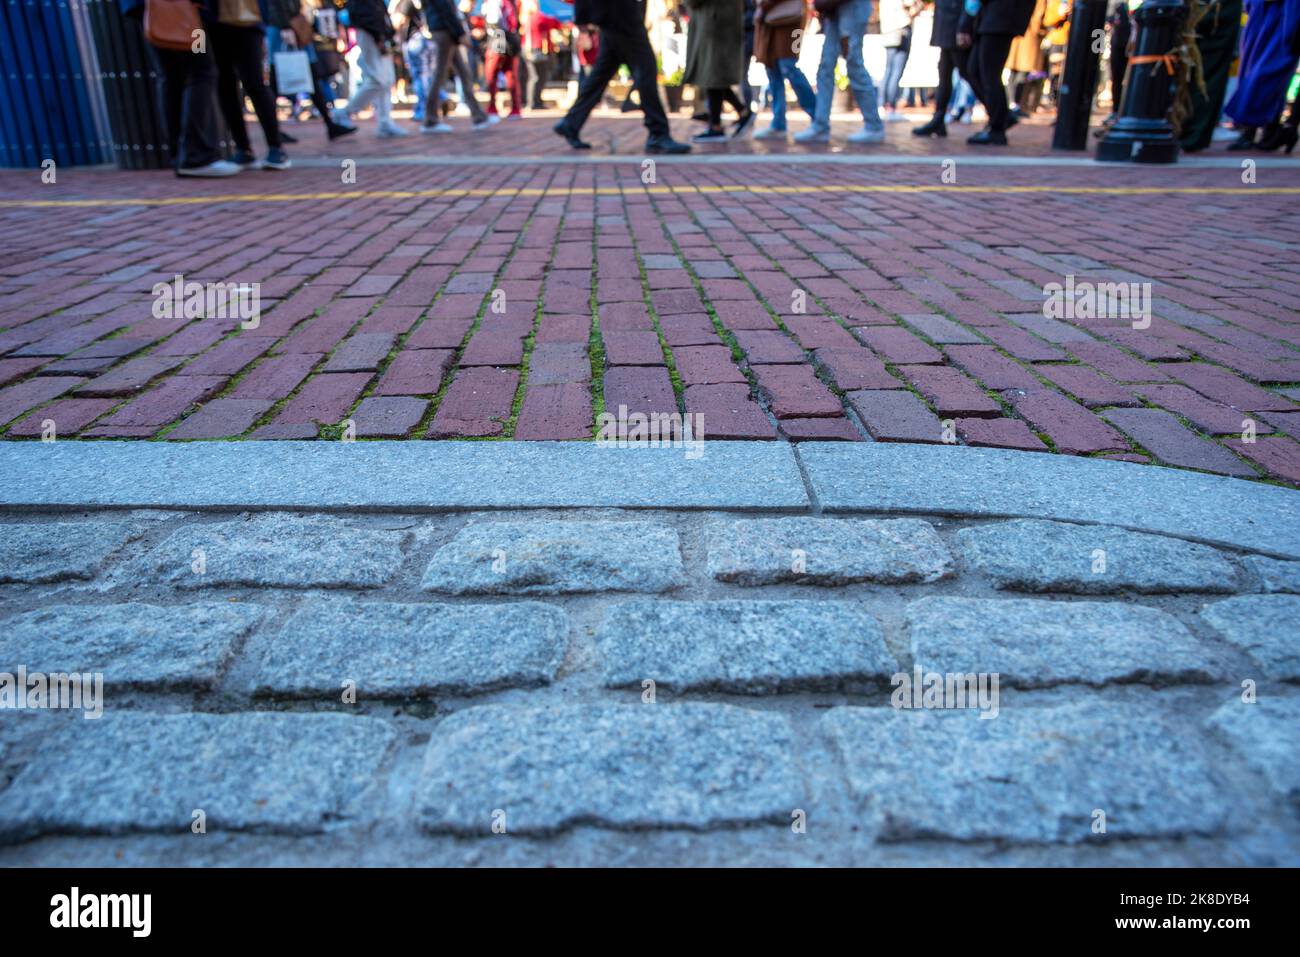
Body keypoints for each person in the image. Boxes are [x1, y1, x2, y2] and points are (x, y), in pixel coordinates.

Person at [553, 0, 691, 153]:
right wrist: (582, 18)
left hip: (612, 16)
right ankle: (658, 133)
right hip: (621, 16)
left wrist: (582, 17)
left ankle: (571, 123)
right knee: (646, 70)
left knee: (600, 75)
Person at [120, 0, 239, 176]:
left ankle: (180, 155)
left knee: (170, 76)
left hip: (150, 12)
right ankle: (197, 156)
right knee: (202, 71)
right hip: (187, 13)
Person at [795, 0, 885, 143]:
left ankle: (873, 125)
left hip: (851, 7)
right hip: (835, 9)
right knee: (826, 66)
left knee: (853, 63)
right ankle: (820, 125)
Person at [956, 0, 1036, 145]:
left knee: (988, 74)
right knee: (974, 71)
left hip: (1001, 17)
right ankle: (1001, 117)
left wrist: (966, 22)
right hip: (991, 17)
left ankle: (997, 128)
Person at [1224, 0, 1300, 150]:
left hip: (1285, 15)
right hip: (1261, 14)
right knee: (1252, 72)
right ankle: (1264, 129)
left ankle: (1262, 128)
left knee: (1267, 74)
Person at [422, 0, 498, 130]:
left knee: (464, 73)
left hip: (447, 31)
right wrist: (460, 33)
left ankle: (479, 116)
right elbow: (445, 10)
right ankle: (430, 120)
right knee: (440, 75)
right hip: (445, 31)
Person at [685, 0, 754, 141]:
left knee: (712, 74)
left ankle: (716, 126)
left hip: (715, 22)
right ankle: (741, 112)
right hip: (719, 21)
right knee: (714, 75)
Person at [1179, 0, 1242, 152]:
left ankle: (1193, 133)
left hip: (1212, 17)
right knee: (1202, 74)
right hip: (1208, 16)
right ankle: (1191, 131)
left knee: (1206, 75)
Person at [753, 0, 816, 139]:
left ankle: (817, 116)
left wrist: (765, 4)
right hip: (769, 22)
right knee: (772, 69)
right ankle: (778, 123)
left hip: (794, 21)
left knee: (789, 67)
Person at [346, 0, 409, 135]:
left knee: (387, 79)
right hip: (370, 34)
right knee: (378, 79)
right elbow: (364, 13)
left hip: (378, 34)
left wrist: (387, 34)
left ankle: (384, 122)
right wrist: (378, 35)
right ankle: (344, 113)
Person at [913, 0, 965, 136]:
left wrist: (965, 24)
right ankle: (938, 118)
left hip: (956, 19)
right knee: (945, 72)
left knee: (968, 72)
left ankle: (1001, 115)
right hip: (949, 20)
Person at [880, 0, 920, 121]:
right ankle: (890, 107)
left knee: (888, 70)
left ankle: (882, 105)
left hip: (887, 29)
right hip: (900, 29)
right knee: (896, 71)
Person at [483, 0, 524, 117]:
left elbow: (493, 20)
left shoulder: (495, 2)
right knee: (511, 75)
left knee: (491, 75)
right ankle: (515, 108)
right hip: (511, 37)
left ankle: (492, 108)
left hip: (498, 37)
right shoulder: (512, 2)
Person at [522, 0, 563, 108]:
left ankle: (533, 102)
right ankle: (535, 102)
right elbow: (556, 23)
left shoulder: (524, 18)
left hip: (528, 50)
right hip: (538, 50)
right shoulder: (538, 17)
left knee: (533, 77)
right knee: (538, 77)